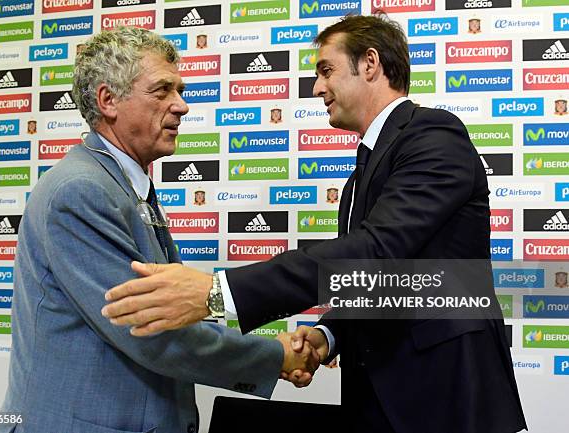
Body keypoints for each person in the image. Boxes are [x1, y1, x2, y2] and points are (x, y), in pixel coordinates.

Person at [102, 15, 526, 433]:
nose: (317, 87)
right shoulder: (362, 174)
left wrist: (218, 293)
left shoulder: (433, 134)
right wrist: (329, 335)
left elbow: (376, 252)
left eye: (327, 70)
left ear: (371, 64)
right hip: (379, 397)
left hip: (446, 397)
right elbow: (389, 281)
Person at [0, 27, 318, 433]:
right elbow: (148, 332)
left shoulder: (119, 183)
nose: (181, 105)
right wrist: (277, 355)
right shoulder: (81, 191)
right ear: (108, 100)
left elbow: (171, 312)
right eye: (162, 90)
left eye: (180, 89)